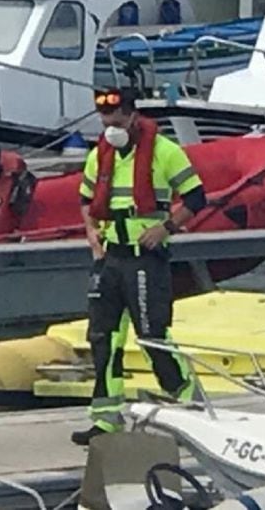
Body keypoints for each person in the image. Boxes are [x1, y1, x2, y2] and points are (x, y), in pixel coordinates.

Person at [73, 88, 207, 446]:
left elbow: (196, 197)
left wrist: (166, 227)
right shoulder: (100, 156)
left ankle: (189, 404)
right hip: (110, 258)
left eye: (116, 120)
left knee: (152, 336)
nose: (110, 126)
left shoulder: (164, 152)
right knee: (104, 339)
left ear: (132, 117)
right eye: (104, 120)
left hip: (145, 259)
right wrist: (91, 232)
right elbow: (87, 199)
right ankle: (106, 418)